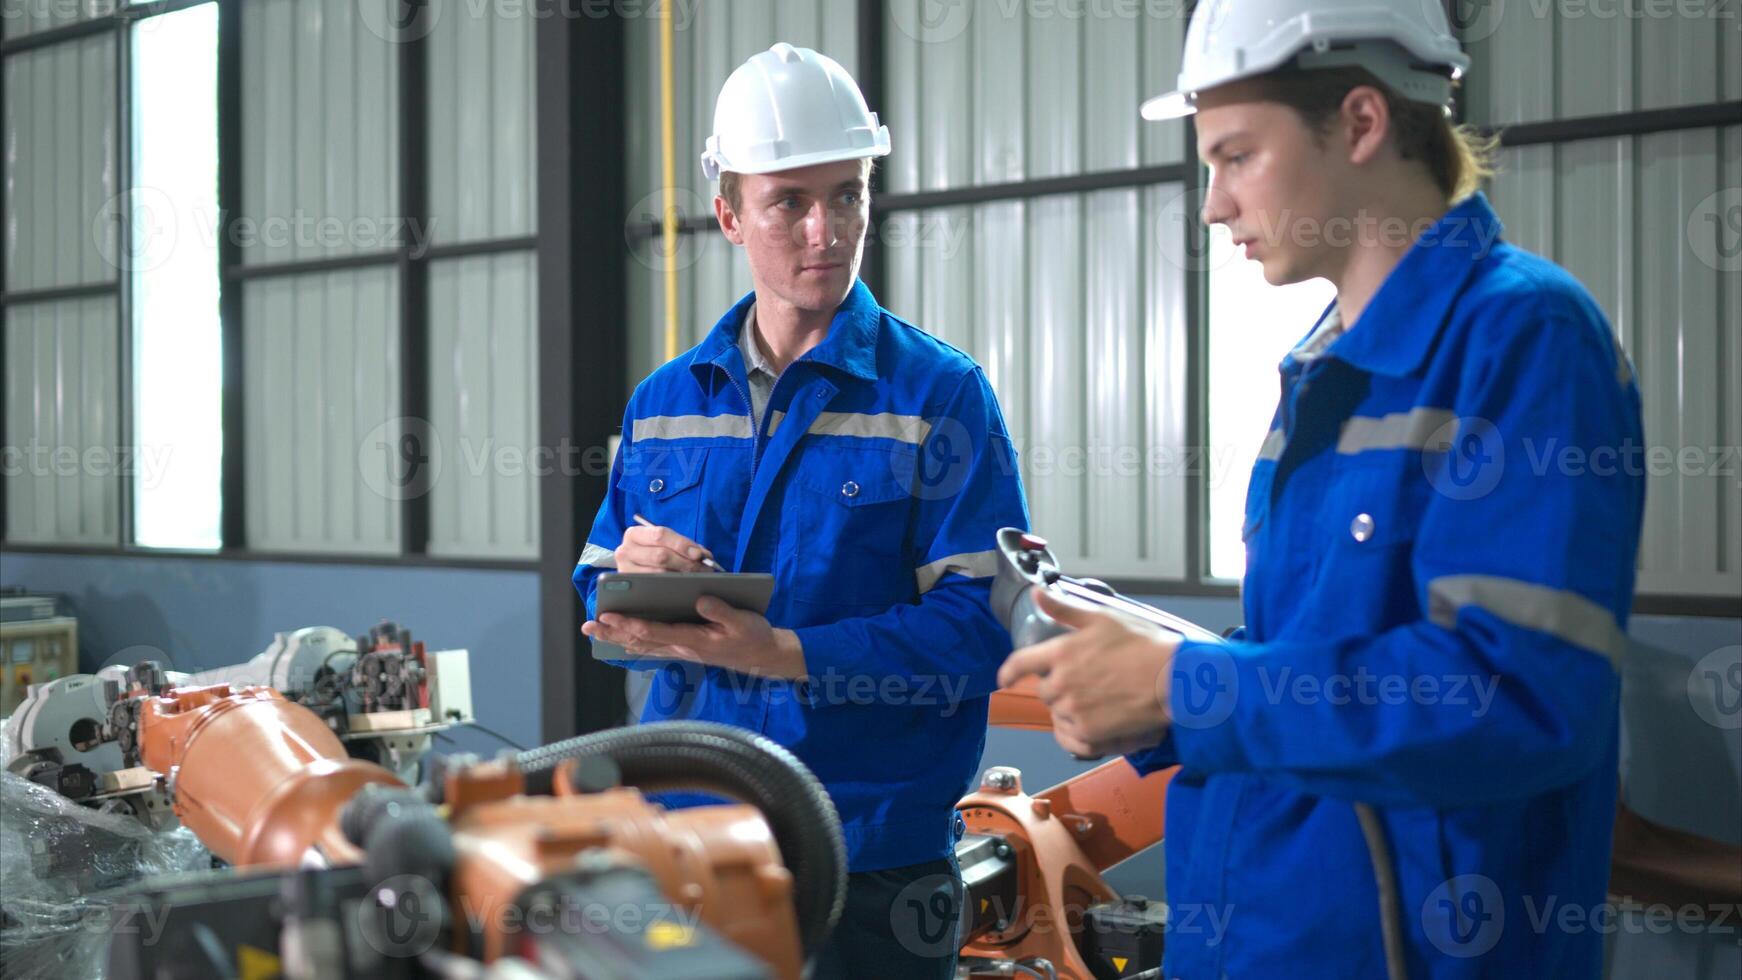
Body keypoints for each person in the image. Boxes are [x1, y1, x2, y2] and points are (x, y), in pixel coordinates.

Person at [997, 0, 1646, 976]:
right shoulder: (1324, 371)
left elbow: (1515, 696)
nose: (1210, 203)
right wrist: (1153, 688)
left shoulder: (1523, 338)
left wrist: (1187, 683)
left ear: (1358, 122)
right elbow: (1310, 664)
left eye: (1234, 156)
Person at [573, 43, 1028, 979]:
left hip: (871, 860)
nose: (826, 230)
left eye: (848, 195)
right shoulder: (664, 402)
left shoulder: (940, 398)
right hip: (688, 842)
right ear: (730, 214)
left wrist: (779, 653)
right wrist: (628, 588)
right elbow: (598, 605)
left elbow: (980, 631)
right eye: (790, 202)